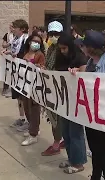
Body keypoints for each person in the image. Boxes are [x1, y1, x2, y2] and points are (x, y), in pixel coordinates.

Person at [69, 30, 105, 180]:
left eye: (84, 45)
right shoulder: (90, 61)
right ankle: (95, 176)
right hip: (92, 115)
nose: (82, 48)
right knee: (95, 150)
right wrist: (77, 73)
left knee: (103, 153)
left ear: (91, 48)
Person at [54, 32, 87, 174]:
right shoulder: (60, 57)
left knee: (75, 132)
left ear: (71, 47)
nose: (62, 51)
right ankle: (71, 158)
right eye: (60, 49)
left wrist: (78, 71)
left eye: (64, 48)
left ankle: (78, 162)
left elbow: (86, 76)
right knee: (66, 132)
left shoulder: (80, 57)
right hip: (64, 100)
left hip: (77, 101)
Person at [42, 20, 65, 156]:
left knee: (58, 118)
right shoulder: (51, 48)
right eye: (51, 33)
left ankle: (57, 143)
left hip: (59, 88)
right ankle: (59, 140)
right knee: (54, 117)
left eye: (56, 33)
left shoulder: (63, 49)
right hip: (51, 87)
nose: (53, 36)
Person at [20, 34, 45, 146]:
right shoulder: (26, 52)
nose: (36, 44)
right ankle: (33, 128)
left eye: (39, 42)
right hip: (25, 84)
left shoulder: (40, 55)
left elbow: (42, 67)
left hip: (35, 86)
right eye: (34, 41)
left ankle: (33, 134)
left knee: (34, 109)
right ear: (29, 42)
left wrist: (34, 65)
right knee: (26, 108)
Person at [4, 19, 29, 129]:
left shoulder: (27, 40)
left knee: (24, 97)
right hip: (15, 72)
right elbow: (14, 51)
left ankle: (29, 121)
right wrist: (10, 53)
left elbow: (27, 55)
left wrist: (16, 55)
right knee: (18, 96)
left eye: (15, 27)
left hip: (24, 73)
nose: (12, 29)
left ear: (22, 29)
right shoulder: (15, 39)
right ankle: (22, 118)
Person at [1, 23, 15, 97]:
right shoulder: (7, 35)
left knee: (14, 72)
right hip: (8, 56)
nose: (11, 28)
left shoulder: (18, 36)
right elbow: (3, 45)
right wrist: (9, 43)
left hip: (15, 56)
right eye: (10, 27)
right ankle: (5, 89)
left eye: (12, 27)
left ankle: (14, 90)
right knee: (7, 72)